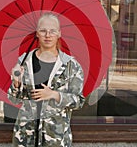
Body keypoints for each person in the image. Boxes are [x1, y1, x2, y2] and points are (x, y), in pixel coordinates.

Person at [8, 13, 85, 147]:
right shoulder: (24, 62)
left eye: (52, 31)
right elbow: (13, 99)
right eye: (43, 30)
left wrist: (54, 95)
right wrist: (16, 82)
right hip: (25, 136)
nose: (48, 35)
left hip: (55, 138)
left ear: (59, 33)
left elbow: (78, 101)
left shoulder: (70, 66)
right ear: (37, 33)